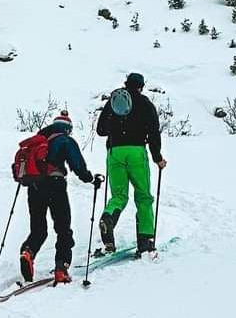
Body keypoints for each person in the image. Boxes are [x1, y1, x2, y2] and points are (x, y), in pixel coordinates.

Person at [19, 111, 95, 285]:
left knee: (38, 229)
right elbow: (78, 165)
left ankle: (28, 253)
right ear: (67, 128)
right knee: (63, 228)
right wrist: (89, 178)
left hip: (34, 187)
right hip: (55, 186)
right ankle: (61, 269)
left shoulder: (37, 141)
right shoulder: (64, 140)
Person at [97, 73, 166, 257]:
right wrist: (157, 157)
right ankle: (145, 241)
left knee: (119, 195)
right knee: (143, 197)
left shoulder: (113, 101)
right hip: (136, 152)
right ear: (141, 86)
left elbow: (100, 130)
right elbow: (153, 133)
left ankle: (108, 217)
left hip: (115, 153)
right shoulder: (145, 103)